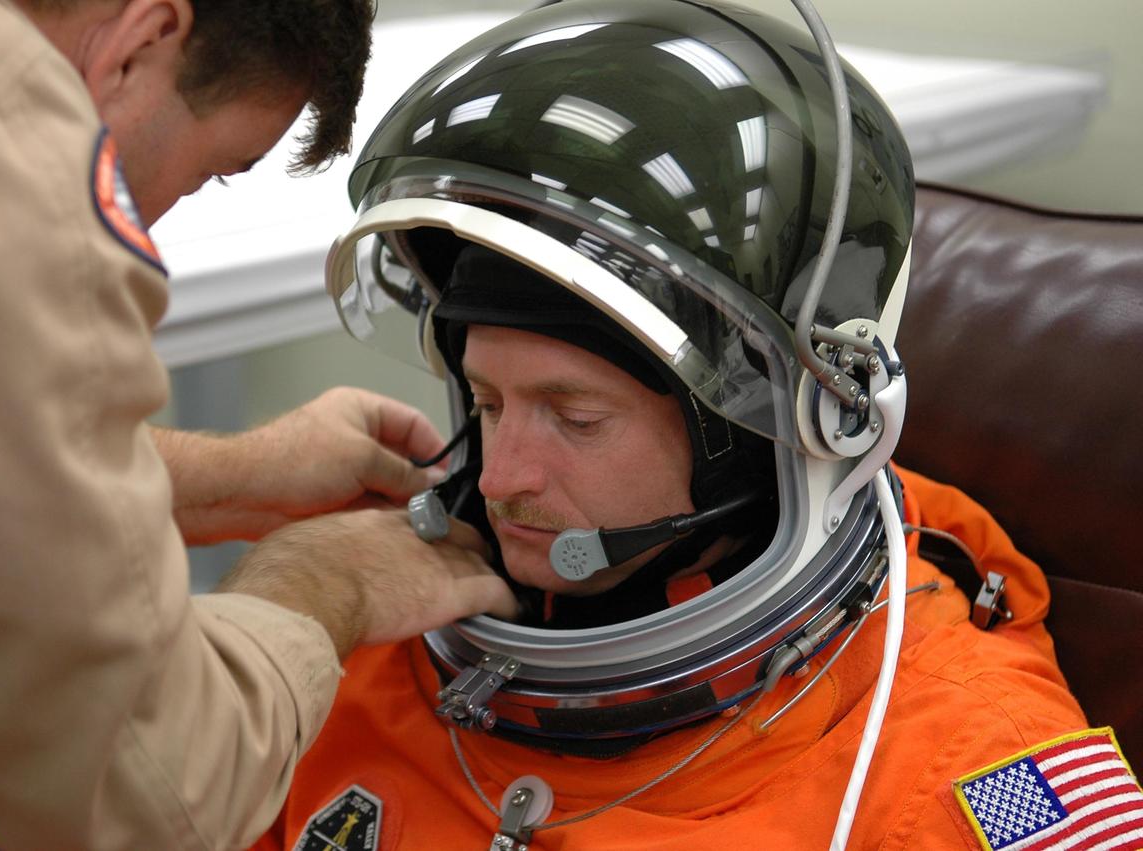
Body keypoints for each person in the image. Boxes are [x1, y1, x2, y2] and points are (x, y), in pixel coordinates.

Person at [249, 1, 1142, 847]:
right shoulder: (356, 637)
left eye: (576, 417)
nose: (499, 476)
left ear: (751, 442)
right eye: (488, 404)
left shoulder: (959, 772)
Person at [0, 1, 515, 849]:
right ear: (143, 41)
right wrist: (324, 583)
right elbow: (145, 785)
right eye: (214, 171)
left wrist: (231, 475)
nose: (157, 225)